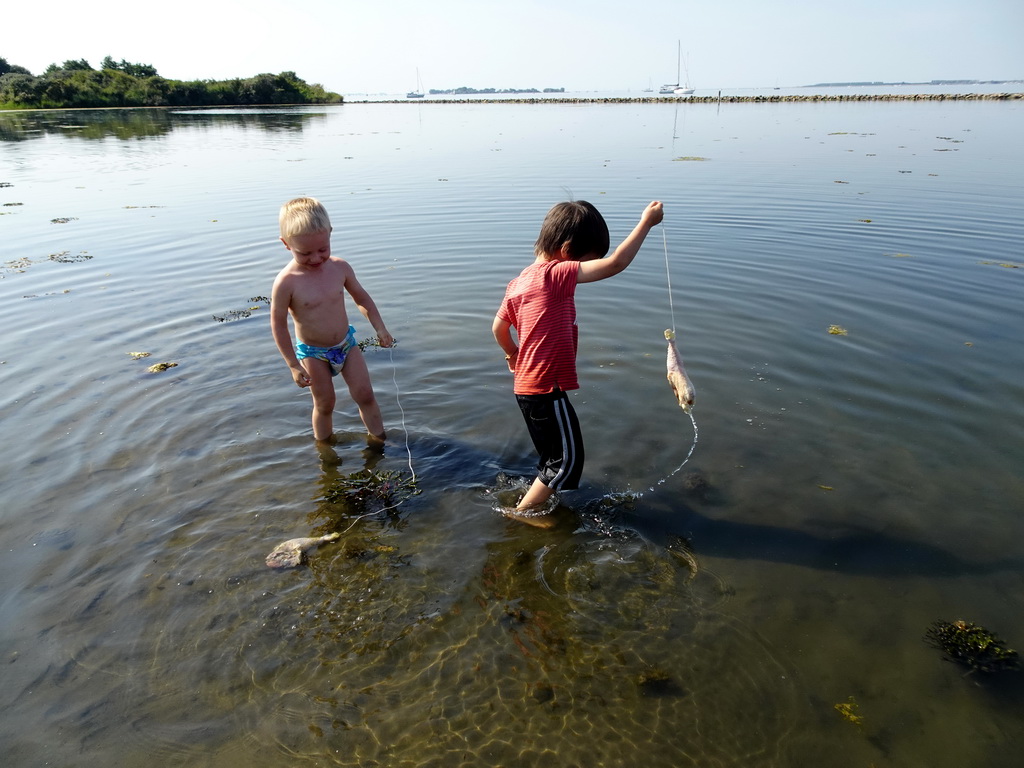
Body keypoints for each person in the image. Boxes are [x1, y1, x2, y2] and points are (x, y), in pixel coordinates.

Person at [492, 199, 664, 524]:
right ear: (568, 251)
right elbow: (615, 264)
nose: (587, 269)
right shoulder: (555, 274)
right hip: (545, 389)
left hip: (527, 389)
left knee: (554, 456)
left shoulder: (518, 282)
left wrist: (512, 354)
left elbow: (498, 327)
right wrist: (646, 223)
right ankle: (523, 515)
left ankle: (537, 502)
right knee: (566, 461)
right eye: (588, 262)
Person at [271, 197, 393, 444]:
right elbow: (279, 325)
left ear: (330, 235)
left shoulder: (340, 268)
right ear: (286, 244)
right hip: (313, 353)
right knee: (325, 402)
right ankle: (325, 450)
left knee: (365, 394)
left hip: (345, 345)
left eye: (322, 249)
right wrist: (293, 364)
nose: (316, 258)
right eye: (305, 253)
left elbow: (362, 298)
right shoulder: (286, 282)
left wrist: (380, 328)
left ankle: (379, 441)